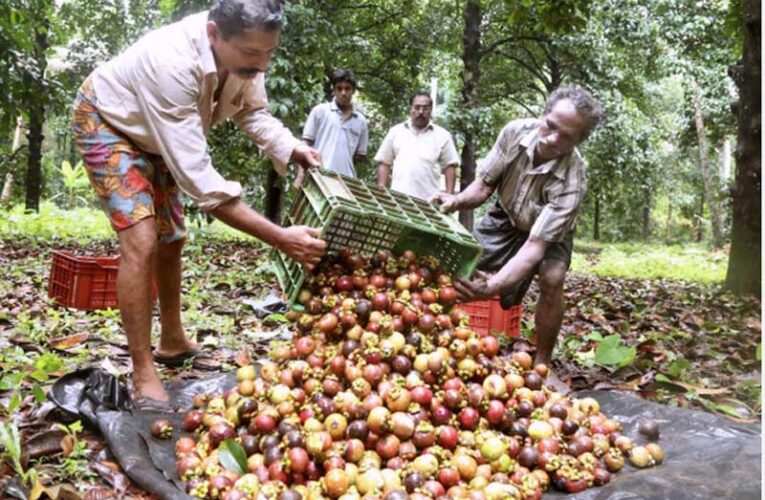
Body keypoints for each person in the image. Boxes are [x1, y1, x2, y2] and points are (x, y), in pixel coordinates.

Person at [71, 0, 327, 407]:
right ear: (213, 35)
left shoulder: (248, 56)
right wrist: (280, 237)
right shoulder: (170, 64)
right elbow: (203, 186)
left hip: (158, 138)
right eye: (250, 53)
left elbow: (253, 112)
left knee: (171, 237)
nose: (261, 63)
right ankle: (142, 370)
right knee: (141, 241)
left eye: (269, 53)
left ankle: (172, 340)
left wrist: (292, 147)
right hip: (110, 122)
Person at [430, 85, 603, 391]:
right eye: (551, 126)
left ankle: (542, 362)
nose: (552, 139)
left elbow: (536, 246)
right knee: (459, 262)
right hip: (506, 214)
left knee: (553, 277)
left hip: (547, 233)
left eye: (566, 137)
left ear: (578, 141)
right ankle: (434, 336)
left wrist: (494, 286)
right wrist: (455, 200)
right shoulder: (513, 133)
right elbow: (483, 187)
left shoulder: (573, 178)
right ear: (544, 114)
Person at [375, 92, 460, 200]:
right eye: (417, 107)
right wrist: (381, 191)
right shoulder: (396, 132)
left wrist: (449, 197)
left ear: (431, 110)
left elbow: (450, 167)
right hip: (398, 199)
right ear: (410, 109)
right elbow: (384, 162)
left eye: (425, 108)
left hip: (429, 202)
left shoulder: (443, 136)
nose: (420, 112)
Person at [295, 68, 369, 186]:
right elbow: (305, 144)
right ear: (334, 90)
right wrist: (300, 176)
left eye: (347, 88)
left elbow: (359, 156)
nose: (343, 93)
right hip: (318, 177)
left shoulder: (361, 121)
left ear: (353, 90)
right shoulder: (320, 111)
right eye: (339, 88)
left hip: (346, 182)